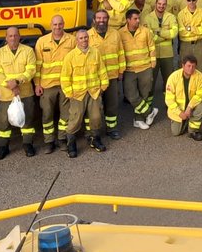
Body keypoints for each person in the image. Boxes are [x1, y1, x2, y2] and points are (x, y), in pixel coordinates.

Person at [60, 29, 109, 157]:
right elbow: (65, 77)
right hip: (78, 94)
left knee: (96, 117)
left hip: (94, 92)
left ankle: (95, 140)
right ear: (76, 40)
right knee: (75, 119)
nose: (84, 40)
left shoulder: (95, 52)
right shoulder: (70, 56)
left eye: (86, 37)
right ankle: (71, 144)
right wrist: (69, 93)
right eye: (81, 38)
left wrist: (103, 86)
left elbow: (102, 70)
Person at [0, 26, 38, 158]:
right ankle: (3, 146)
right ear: (6, 38)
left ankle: (28, 144)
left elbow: (31, 70)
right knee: (3, 121)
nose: (13, 38)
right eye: (10, 36)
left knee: (28, 120)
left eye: (15, 35)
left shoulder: (28, 51)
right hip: (7, 94)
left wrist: (17, 82)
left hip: (25, 92)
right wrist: (11, 86)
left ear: (19, 36)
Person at [35, 15, 77, 153]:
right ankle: (49, 141)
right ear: (51, 25)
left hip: (66, 84)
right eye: (55, 24)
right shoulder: (42, 41)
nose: (57, 27)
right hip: (47, 85)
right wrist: (37, 84)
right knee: (47, 114)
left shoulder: (71, 40)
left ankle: (62, 139)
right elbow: (37, 66)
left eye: (60, 24)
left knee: (65, 114)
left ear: (63, 24)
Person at [87, 10, 125, 139]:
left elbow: (120, 52)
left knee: (112, 105)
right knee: (95, 107)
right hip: (95, 79)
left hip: (112, 76)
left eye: (104, 18)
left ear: (108, 19)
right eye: (98, 18)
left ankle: (111, 128)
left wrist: (121, 71)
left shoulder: (115, 34)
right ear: (94, 20)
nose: (101, 20)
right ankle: (93, 132)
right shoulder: (87, 36)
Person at [119, 8, 158, 129]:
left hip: (145, 67)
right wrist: (120, 69)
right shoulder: (120, 33)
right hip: (129, 69)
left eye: (138, 18)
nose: (138, 21)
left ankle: (138, 120)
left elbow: (151, 47)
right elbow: (120, 52)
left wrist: (153, 62)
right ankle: (149, 112)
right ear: (128, 20)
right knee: (131, 95)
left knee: (144, 94)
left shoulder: (145, 31)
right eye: (135, 19)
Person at [165, 55, 202, 141]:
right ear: (183, 66)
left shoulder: (199, 76)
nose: (191, 68)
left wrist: (189, 107)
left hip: (191, 107)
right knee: (176, 133)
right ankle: (185, 120)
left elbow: (200, 95)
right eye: (188, 66)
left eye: (193, 66)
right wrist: (180, 113)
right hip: (178, 109)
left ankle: (193, 131)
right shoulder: (173, 77)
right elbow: (169, 99)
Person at [144, 0, 179, 90]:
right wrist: (166, 36)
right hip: (153, 54)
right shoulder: (148, 18)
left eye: (164, 4)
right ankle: (149, 102)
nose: (161, 6)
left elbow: (174, 33)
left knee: (168, 80)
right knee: (151, 80)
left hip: (167, 54)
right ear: (155, 4)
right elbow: (149, 37)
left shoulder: (171, 17)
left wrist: (158, 33)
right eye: (159, 4)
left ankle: (168, 102)